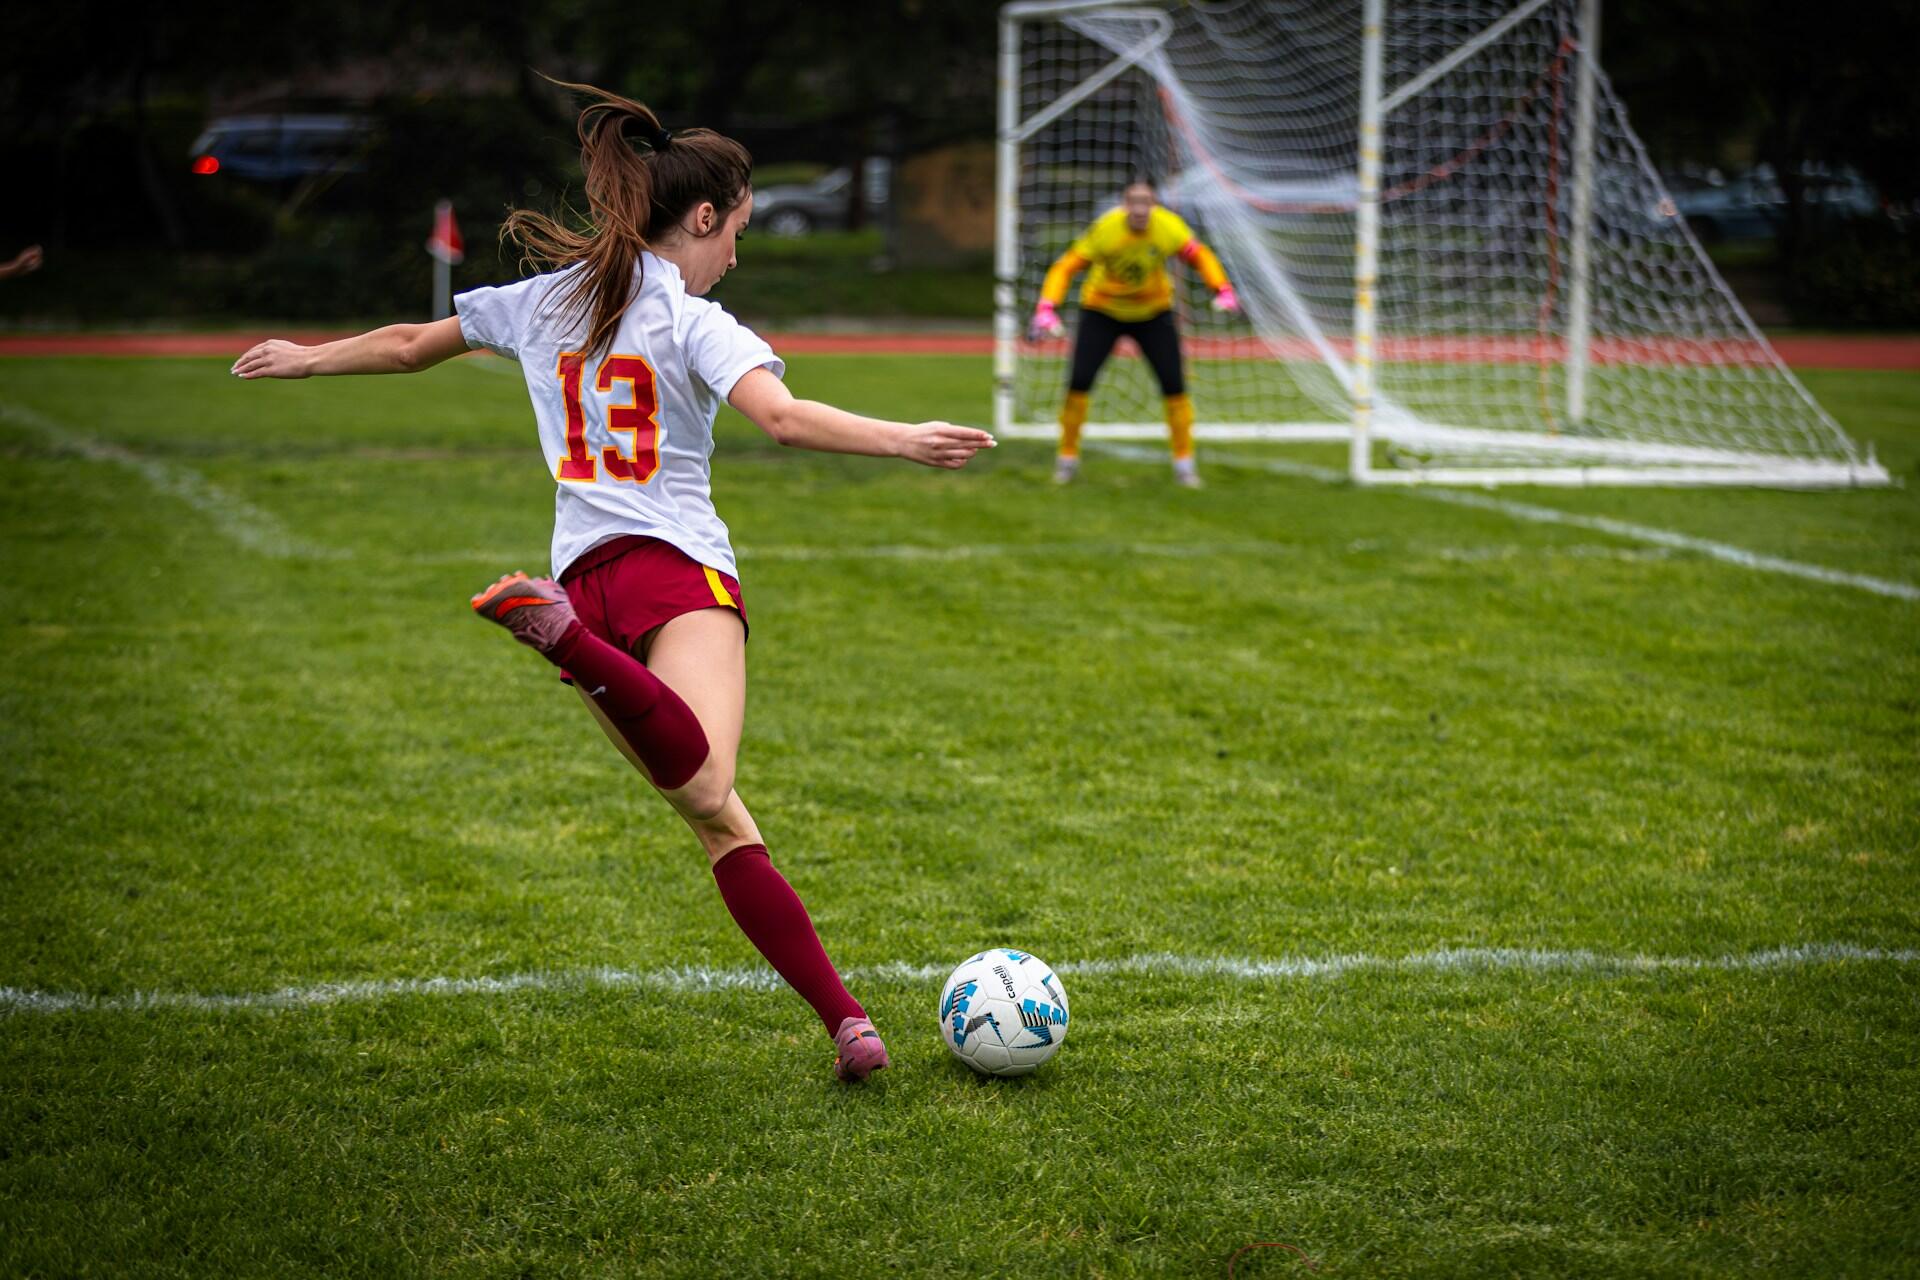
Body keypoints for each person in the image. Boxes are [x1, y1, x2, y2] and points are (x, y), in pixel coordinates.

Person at [232, 83, 995, 1083]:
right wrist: (906, 439)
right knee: (711, 781)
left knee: (719, 820)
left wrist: (308, 361)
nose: (736, 257)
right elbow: (782, 418)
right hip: (671, 568)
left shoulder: (546, 297)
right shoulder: (691, 318)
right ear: (705, 217)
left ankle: (847, 1022)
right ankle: (563, 640)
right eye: (738, 232)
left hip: (584, 577)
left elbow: (414, 346)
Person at [1030, 179, 1237, 488]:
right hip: (1102, 312)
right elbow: (1066, 266)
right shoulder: (1106, 229)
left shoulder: (1169, 227)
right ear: (1124, 205)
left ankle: (1185, 467)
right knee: (1079, 382)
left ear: (1154, 205)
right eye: (1134, 202)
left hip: (1153, 314)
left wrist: (1222, 288)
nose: (1140, 209)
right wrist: (1047, 307)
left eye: (1146, 202)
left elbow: (1200, 255)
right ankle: (1066, 461)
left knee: (1175, 386)